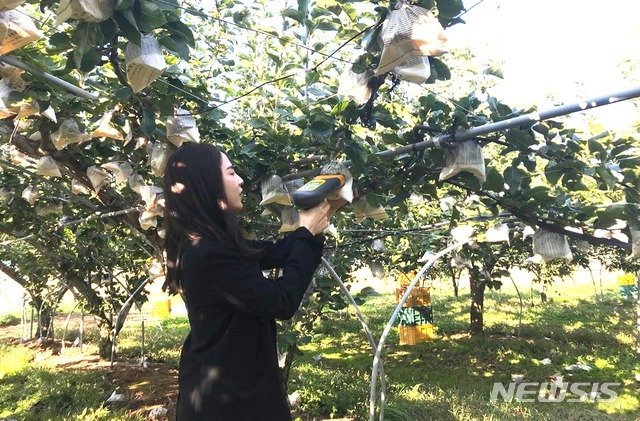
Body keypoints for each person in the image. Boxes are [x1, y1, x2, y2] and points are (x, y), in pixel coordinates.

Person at [162, 143, 336, 420]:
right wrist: (305, 233)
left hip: (227, 382)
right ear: (208, 184)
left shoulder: (205, 242)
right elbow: (281, 301)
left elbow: (271, 252)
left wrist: (311, 230)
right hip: (229, 399)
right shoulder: (208, 253)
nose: (240, 180)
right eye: (231, 172)